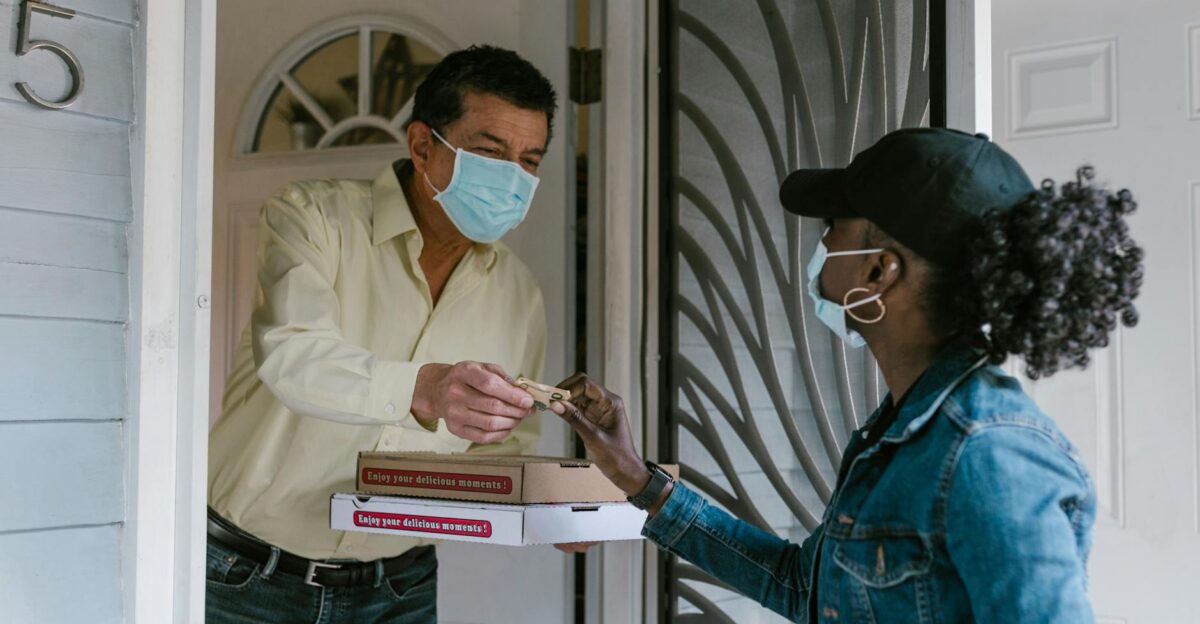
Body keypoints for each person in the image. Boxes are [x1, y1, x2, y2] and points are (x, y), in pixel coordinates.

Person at [551, 128, 1144, 623]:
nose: (822, 243)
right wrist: (636, 478)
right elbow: (802, 589)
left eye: (833, 224)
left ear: (879, 272)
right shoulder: (895, 433)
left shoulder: (990, 454)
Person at [207, 45, 564, 623]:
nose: (512, 178)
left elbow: (503, 449)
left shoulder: (519, 292)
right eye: (490, 153)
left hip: (401, 588)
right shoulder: (312, 217)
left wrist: (555, 510)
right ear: (422, 146)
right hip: (247, 579)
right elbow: (293, 354)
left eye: (529, 160)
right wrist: (425, 389)